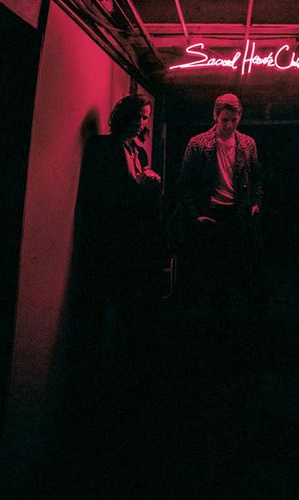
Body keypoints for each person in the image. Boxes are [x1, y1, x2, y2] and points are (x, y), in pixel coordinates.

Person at [74, 94, 163, 374]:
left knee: (130, 307)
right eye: (138, 115)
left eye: (145, 117)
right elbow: (101, 195)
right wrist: (140, 185)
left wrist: (150, 186)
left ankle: (127, 369)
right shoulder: (102, 146)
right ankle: (100, 372)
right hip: (108, 241)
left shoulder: (139, 152)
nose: (141, 122)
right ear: (125, 115)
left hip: (132, 242)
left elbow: (138, 199)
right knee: (101, 307)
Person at [175, 93, 263, 356]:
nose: (230, 125)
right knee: (215, 278)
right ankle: (219, 336)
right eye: (225, 120)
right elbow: (184, 185)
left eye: (234, 120)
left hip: (239, 216)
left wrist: (256, 202)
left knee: (244, 274)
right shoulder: (198, 143)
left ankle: (241, 337)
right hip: (212, 216)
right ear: (215, 116)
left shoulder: (247, 144)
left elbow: (257, 178)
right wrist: (195, 216)